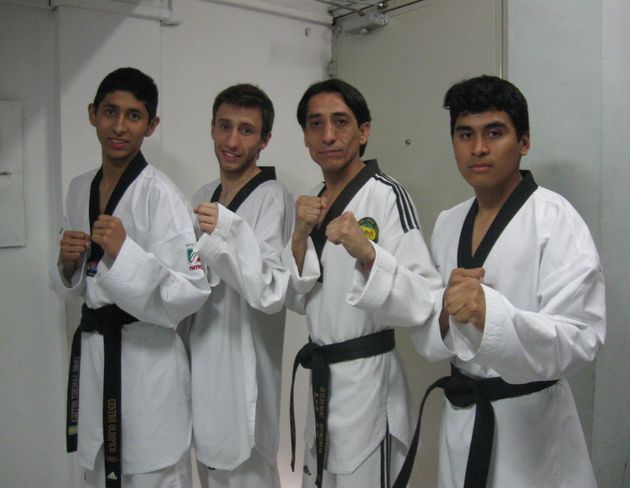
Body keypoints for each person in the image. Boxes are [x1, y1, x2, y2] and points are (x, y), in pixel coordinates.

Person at [401, 75, 606, 488]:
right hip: (462, 418)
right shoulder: (449, 222)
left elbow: (581, 337)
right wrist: (444, 314)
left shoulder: (554, 219)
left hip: (531, 427)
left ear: (524, 142)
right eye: (465, 134)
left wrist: (490, 315)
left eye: (494, 133)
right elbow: (428, 327)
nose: (478, 148)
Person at [49, 67, 210, 488]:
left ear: (151, 125)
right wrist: (68, 265)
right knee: (100, 469)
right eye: (110, 112)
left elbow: (192, 289)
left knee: (152, 470)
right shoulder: (78, 188)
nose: (119, 127)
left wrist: (126, 253)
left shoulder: (163, 195)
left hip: (147, 360)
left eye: (133, 116)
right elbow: (80, 282)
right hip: (96, 354)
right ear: (92, 114)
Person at [283, 78, 440, 488]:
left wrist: (368, 253)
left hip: (369, 384)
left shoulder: (387, 196)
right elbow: (299, 299)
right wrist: (298, 238)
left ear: (364, 131)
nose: (328, 135)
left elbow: (423, 297)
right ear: (305, 137)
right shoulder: (312, 201)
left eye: (340, 122)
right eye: (315, 124)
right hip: (324, 380)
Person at [184, 83, 294, 488]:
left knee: (248, 471)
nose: (232, 141)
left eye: (246, 130)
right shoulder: (202, 196)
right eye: (225, 126)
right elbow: (189, 270)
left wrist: (227, 231)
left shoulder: (272, 198)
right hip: (202, 358)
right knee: (208, 470)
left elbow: (269, 291)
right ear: (212, 128)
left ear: (265, 139)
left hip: (245, 367)